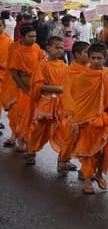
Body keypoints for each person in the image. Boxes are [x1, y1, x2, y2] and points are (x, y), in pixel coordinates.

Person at [70, 43, 108, 195]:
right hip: (87, 121)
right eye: (93, 58)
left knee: (104, 150)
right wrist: (76, 121)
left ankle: (99, 174)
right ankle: (87, 180)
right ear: (89, 58)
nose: (96, 61)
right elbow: (78, 100)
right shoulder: (82, 77)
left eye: (99, 58)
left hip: (105, 119)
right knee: (88, 152)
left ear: (105, 58)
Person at [24, 36, 66, 166]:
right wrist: (58, 89)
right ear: (48, 48)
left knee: (63, 130)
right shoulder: (42, 65)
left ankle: (63, 158)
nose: (60, 50)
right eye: (57, 47)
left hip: (60, 104)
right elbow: (38, 86)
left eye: (62, 48)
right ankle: (31, 150)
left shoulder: (63, 65)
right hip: (45, 103)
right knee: (38, 129)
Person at [5, 24, 45, 152]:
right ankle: (20, 138)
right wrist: (25, 89)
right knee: (21, 115)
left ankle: (27, 140)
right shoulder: (16, 50)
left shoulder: (37, 48)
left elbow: (42, 64)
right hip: (21, 88)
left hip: (35, 87)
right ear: (22, 37)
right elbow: (14, 73)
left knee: (32, 116)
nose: (33, 39)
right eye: (30, 36)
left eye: (34, 36)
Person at [55, 41, 89, 176]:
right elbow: (66, 93)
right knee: (70, 138)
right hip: (73, 110)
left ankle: (86, 169)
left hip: (89, 110)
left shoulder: (92, 70)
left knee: (87, 140)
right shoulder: (69, 72)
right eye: (86, 52)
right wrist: (72, 112)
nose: (89, 55)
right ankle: (63, 160)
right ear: (77, 54)